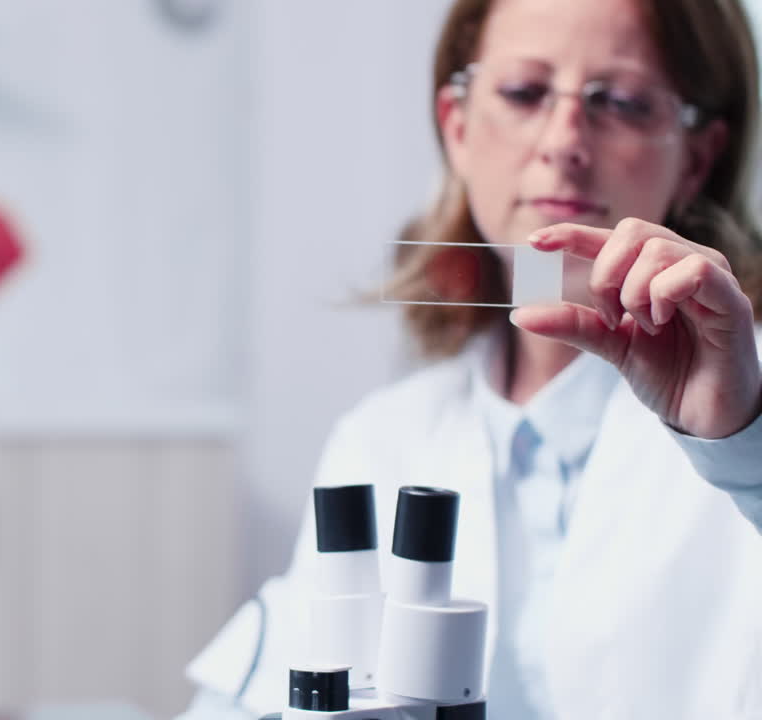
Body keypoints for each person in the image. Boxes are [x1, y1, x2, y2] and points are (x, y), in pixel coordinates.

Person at [179, 0, 762, 717]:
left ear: (696, 157)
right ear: (457, 127)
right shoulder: (383, 439)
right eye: (522, 92)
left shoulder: (746, 417)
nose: (563, 140)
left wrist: (743, 446)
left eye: (623, 102)